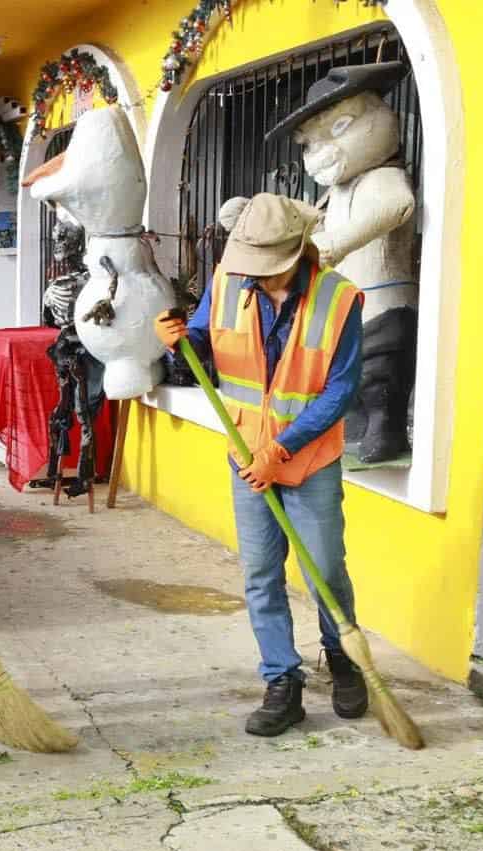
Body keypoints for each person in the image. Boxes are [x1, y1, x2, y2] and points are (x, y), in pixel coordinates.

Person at [153, 193, 369, 737]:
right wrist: (181, 342)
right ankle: (282, 680)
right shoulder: (230, 281)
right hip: (246, 454)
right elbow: (205, 348)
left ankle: (343, 657)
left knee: (325, 569)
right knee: (260, 576)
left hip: (309, 458)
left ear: (296, 253)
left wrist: (282, 451)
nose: (258, 276)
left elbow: (339, 391)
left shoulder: (339, 299)